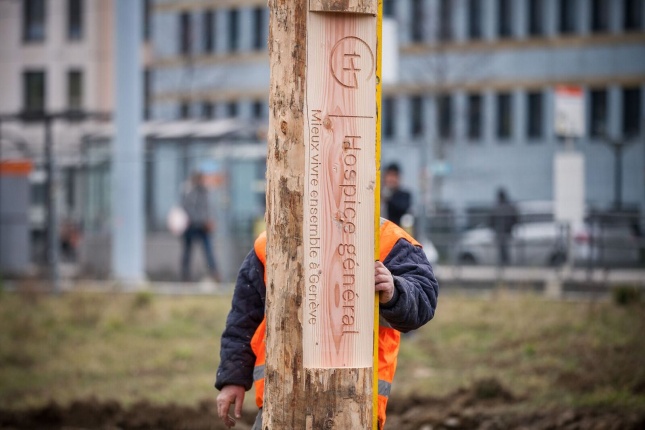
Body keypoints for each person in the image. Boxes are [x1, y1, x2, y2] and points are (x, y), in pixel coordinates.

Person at [214, 218, 439, 429]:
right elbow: (244, 318)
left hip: (355, 406)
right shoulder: (270, 242)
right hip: (281, 404)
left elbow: (424, 302)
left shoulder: (387, 240)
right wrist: (232, 379)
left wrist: (394, 291)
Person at [180, 171, 219, 282]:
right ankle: (185, 275)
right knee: (188, 252)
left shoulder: (206, 193)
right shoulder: (190, 193)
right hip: (192, 227)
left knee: (208, 251)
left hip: (203, 228)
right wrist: (201, 221)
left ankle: (214, 273)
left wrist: (210, 221)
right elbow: (188, 209)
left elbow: (209, 209)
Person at [489, 188, 519, 266]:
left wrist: (494, 229)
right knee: (506, 248)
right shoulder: (510, 207)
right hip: (507, 231)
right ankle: (506, 264)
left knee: (502, 249)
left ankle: (503, 265)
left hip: (500, 231)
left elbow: (491, 221)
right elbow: (516, 219)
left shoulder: (496, 207)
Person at [382, 163, 412, 227]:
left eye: (395, 175)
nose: (392, 179)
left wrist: (388, 196)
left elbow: (402, 208)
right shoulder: (379, 194)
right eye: (389, 175)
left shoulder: (404, 195)